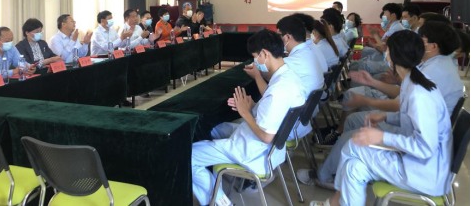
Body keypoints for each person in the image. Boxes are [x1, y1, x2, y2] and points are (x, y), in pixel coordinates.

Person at [299, 25, 463, 190]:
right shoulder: (420, 75)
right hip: (419, 153)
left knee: (353, 143)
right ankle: (333, 176)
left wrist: (381, 137)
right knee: (353, 148)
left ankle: (327, 177)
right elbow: (409, 113)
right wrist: (386, 116)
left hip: (422, 168)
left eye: (388, 50)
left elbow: (424, 146)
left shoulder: (426, 82)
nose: (385, 53)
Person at [191, 30, 305, 206]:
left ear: (265, 53)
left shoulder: (278, 91)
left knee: (189, 156)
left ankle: (221, 202)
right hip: (269, 149)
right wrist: (253, 107)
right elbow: (272, 113)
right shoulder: (289, 77)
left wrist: (244, 112)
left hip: (254, 151)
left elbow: (266, 136)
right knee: (214, 129)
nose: (255, 62)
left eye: (255, 57)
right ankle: (214, 177)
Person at [277, 15, 325, 138]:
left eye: (279, 36)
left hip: (291, 122)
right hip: (306, 114)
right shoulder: (309, 52)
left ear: (287, 37)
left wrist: (257, 75)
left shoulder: (292, 62)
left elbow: (272, 83)